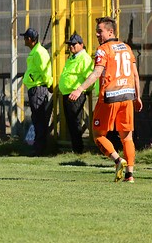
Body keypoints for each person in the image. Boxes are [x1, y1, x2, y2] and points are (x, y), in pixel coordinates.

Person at [68, 17, 142, 183]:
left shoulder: (103, 49)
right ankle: (130, 175)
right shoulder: (127, 48)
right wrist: (138, 97)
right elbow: (135, 75)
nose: (97, 34)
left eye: (99, 30)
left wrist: (80, 89)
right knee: (127, 137)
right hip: (128, 96)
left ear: (110, 31)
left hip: (110, 96)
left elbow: (96, 73)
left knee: (98, 135)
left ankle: (118, 160)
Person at [58, 34, 96, 154]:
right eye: (70, 45)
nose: (71, 47)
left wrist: (82, 90)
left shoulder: (84, 58)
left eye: (74, 44)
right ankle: (76, 148)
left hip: (76, 94)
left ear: (81, 44)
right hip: (68, 93)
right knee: (71, 123)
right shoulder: (72, 58)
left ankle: (78, 149)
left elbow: (90, 77)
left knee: (75, 122)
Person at [20, 27, 53, 156]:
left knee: (39, 119)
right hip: (35, 88)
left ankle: (39, 148)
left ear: (30, 39)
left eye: (25, 38)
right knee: (37, 118)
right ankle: (39, 147)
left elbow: (45, 70)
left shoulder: (39, 52)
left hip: (38, 88)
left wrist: (48, 84)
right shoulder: (36, 51)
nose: (24, 40)